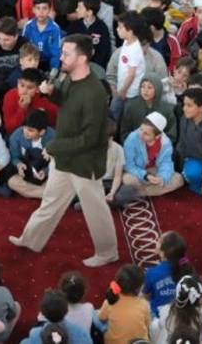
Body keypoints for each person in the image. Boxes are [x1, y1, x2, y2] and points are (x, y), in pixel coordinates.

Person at [9, 35, 118, 268]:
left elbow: (90, 138)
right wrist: (52, 94)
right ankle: (31, 240)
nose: (61, 57)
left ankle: (108, 252)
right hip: (66, 157)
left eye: (66, 54)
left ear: (82, 58)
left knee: (95, 209)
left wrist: (54, 146)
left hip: (85, 162)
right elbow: (67, 103)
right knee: (50, 202)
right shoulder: (70, 78)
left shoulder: (94, 93)